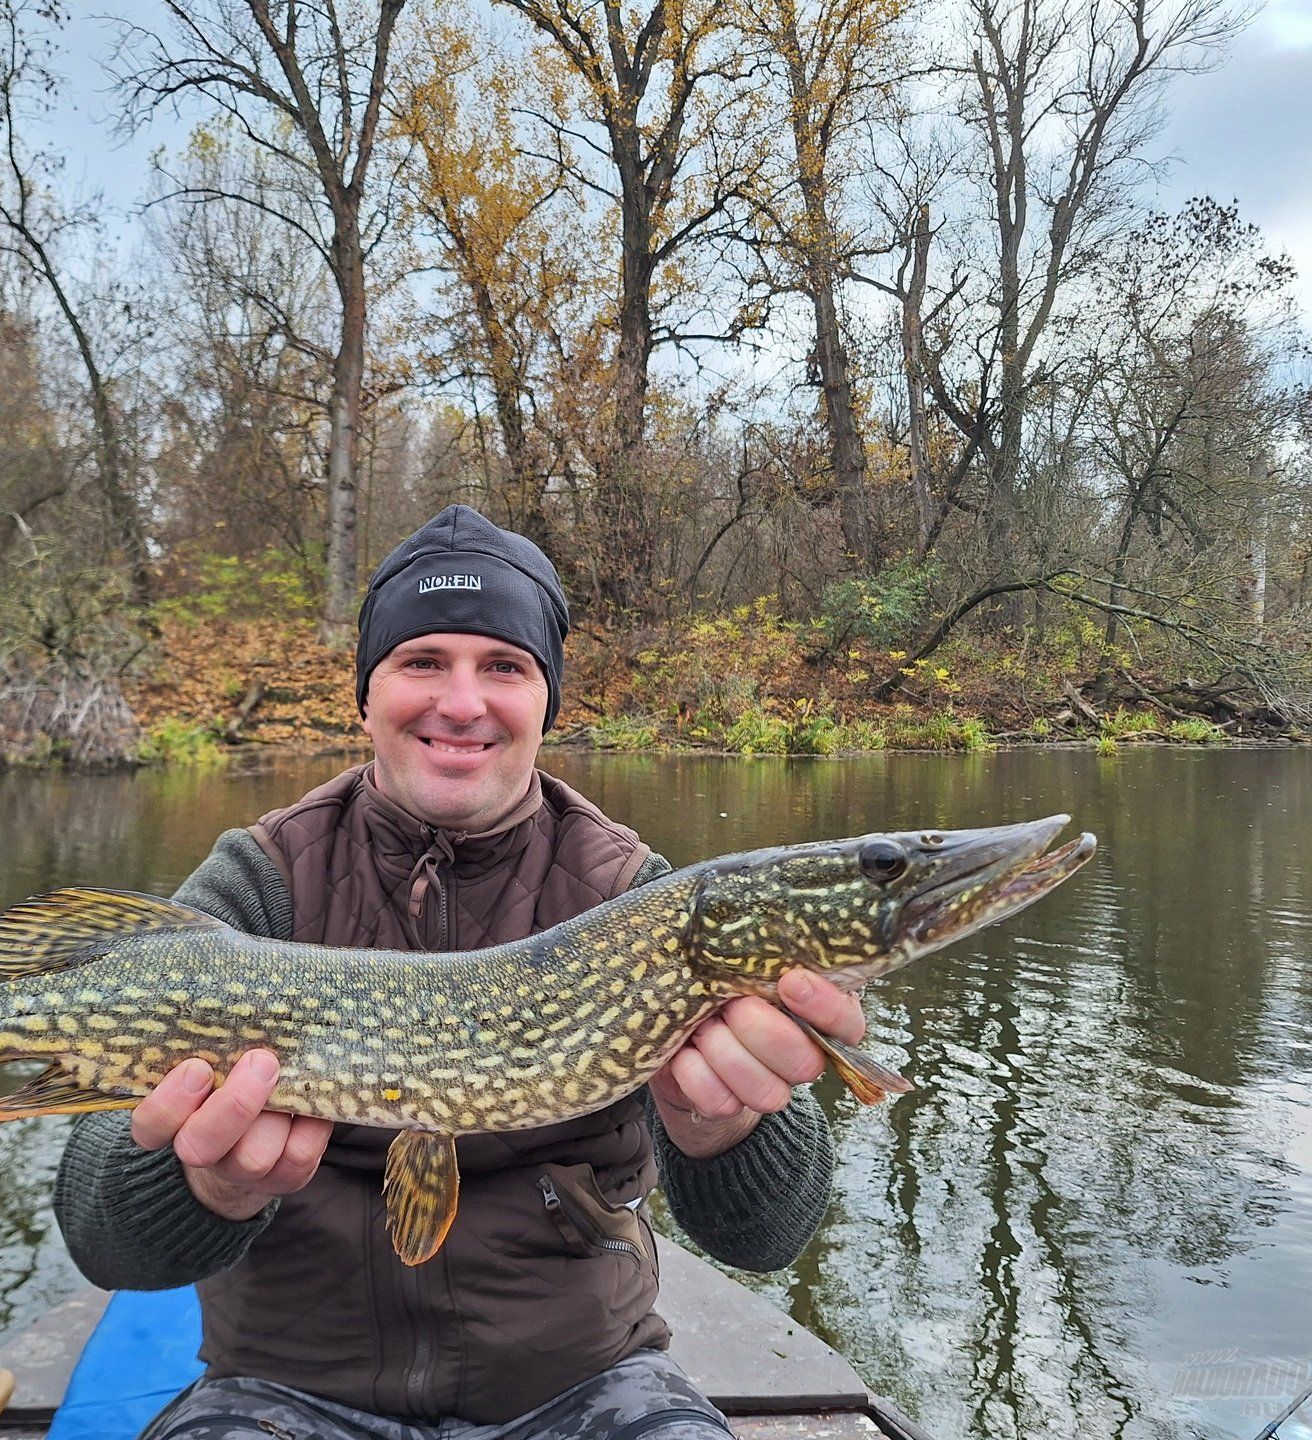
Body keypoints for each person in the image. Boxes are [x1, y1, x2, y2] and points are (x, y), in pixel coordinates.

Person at [53, 505, 867, 1440]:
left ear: (546, 701)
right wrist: (211, 1188)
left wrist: (724, 1132)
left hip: (585, 1384)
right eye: (422, 661)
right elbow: (100, 1234)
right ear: (366, 692)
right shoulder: (260, 880)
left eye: (505, 667)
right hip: (282, 1389)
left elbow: (763, 1242)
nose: (463, 702)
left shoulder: (638, 901)